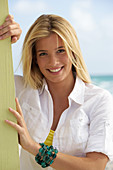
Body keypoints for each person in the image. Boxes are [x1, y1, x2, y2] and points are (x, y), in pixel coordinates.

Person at [0, 14, 113, 170]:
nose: (53, 62)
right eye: (43, 54)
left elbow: (95, 166)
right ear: (34, 59)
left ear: (73, 52)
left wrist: (33, 147)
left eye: (61, 51)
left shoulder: (99, 100)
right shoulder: (20, 89)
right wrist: (3, 40)